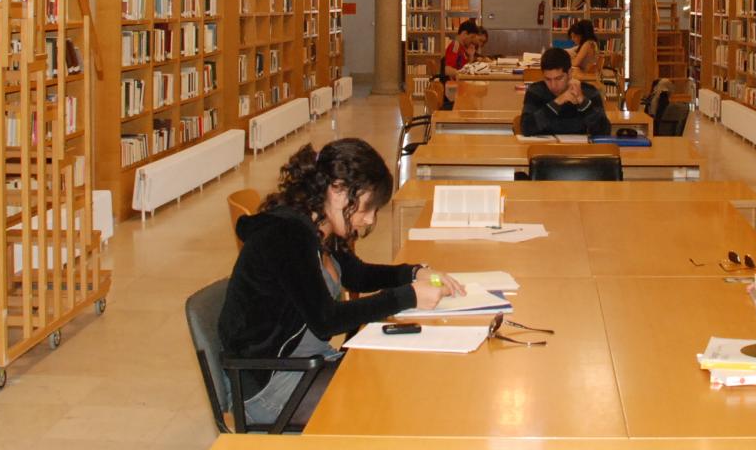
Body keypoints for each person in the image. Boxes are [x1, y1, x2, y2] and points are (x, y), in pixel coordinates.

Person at [218, 139, 464, 428]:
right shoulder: (286, 236)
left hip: (308, 363)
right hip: (270, 382)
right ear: (337, 191)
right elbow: (326, 320)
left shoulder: (318, 227)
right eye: (367, 208)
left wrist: (412, 273)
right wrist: (407, 297)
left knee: (395, 382)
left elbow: (356, 275)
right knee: (386, 406)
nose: (369, 219)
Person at [520, 46, 611, 136]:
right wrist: (557, 102)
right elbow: (526, 128)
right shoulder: (535, 91)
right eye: (548, 79)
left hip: (579, 149)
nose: (553, 85)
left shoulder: (589, 92)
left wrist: (582, 101)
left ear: (570, 73)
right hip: (544, 149)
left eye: (559, 78)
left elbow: (604, 131)